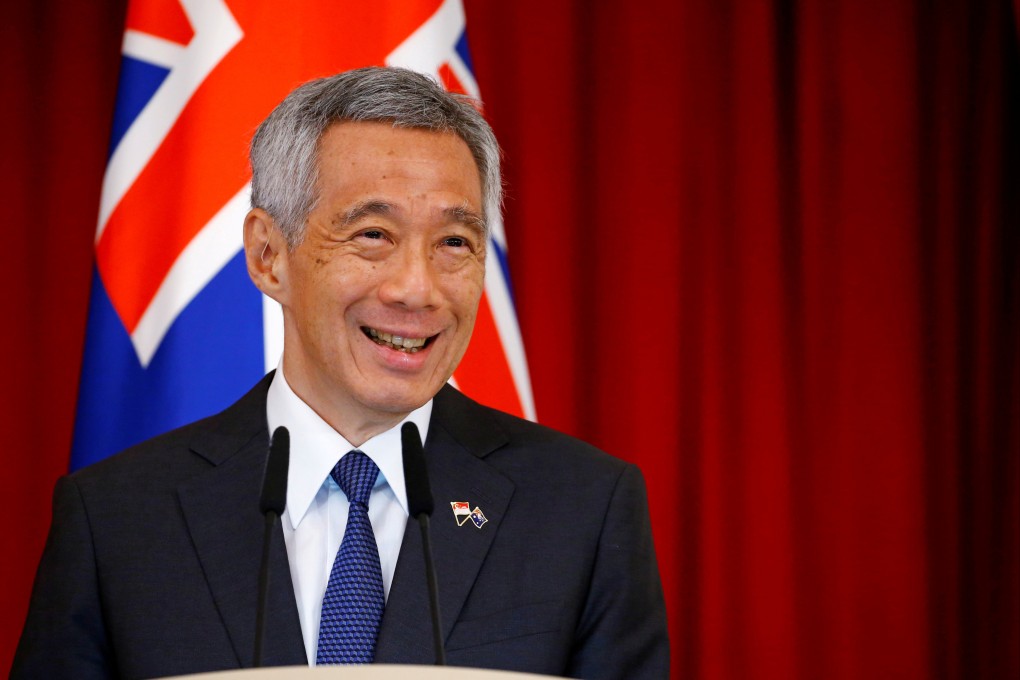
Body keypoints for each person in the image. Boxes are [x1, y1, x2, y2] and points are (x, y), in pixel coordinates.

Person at [13, 67, 669, 679]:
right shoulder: (118, 518)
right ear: (270, 256)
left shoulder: (584, 510)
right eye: (373, 235)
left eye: (454, 243)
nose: (417, 289)